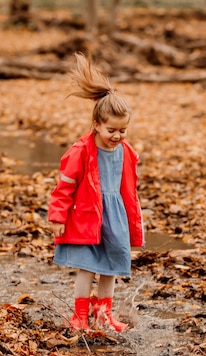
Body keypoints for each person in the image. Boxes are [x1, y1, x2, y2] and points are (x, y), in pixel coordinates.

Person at [48, 52, 144, 332]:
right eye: (112, 130)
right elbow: (64, 186)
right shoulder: (81, 152)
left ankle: (104, 313)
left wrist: (133, 221)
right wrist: (57, 216)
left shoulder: (126, 153)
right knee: (88, 266)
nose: (117, 136)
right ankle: (80, 316)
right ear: (97, 125)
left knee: (112, 266)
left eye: (123, 130)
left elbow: (129, 191)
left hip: (114, 217)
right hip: (88, 215)